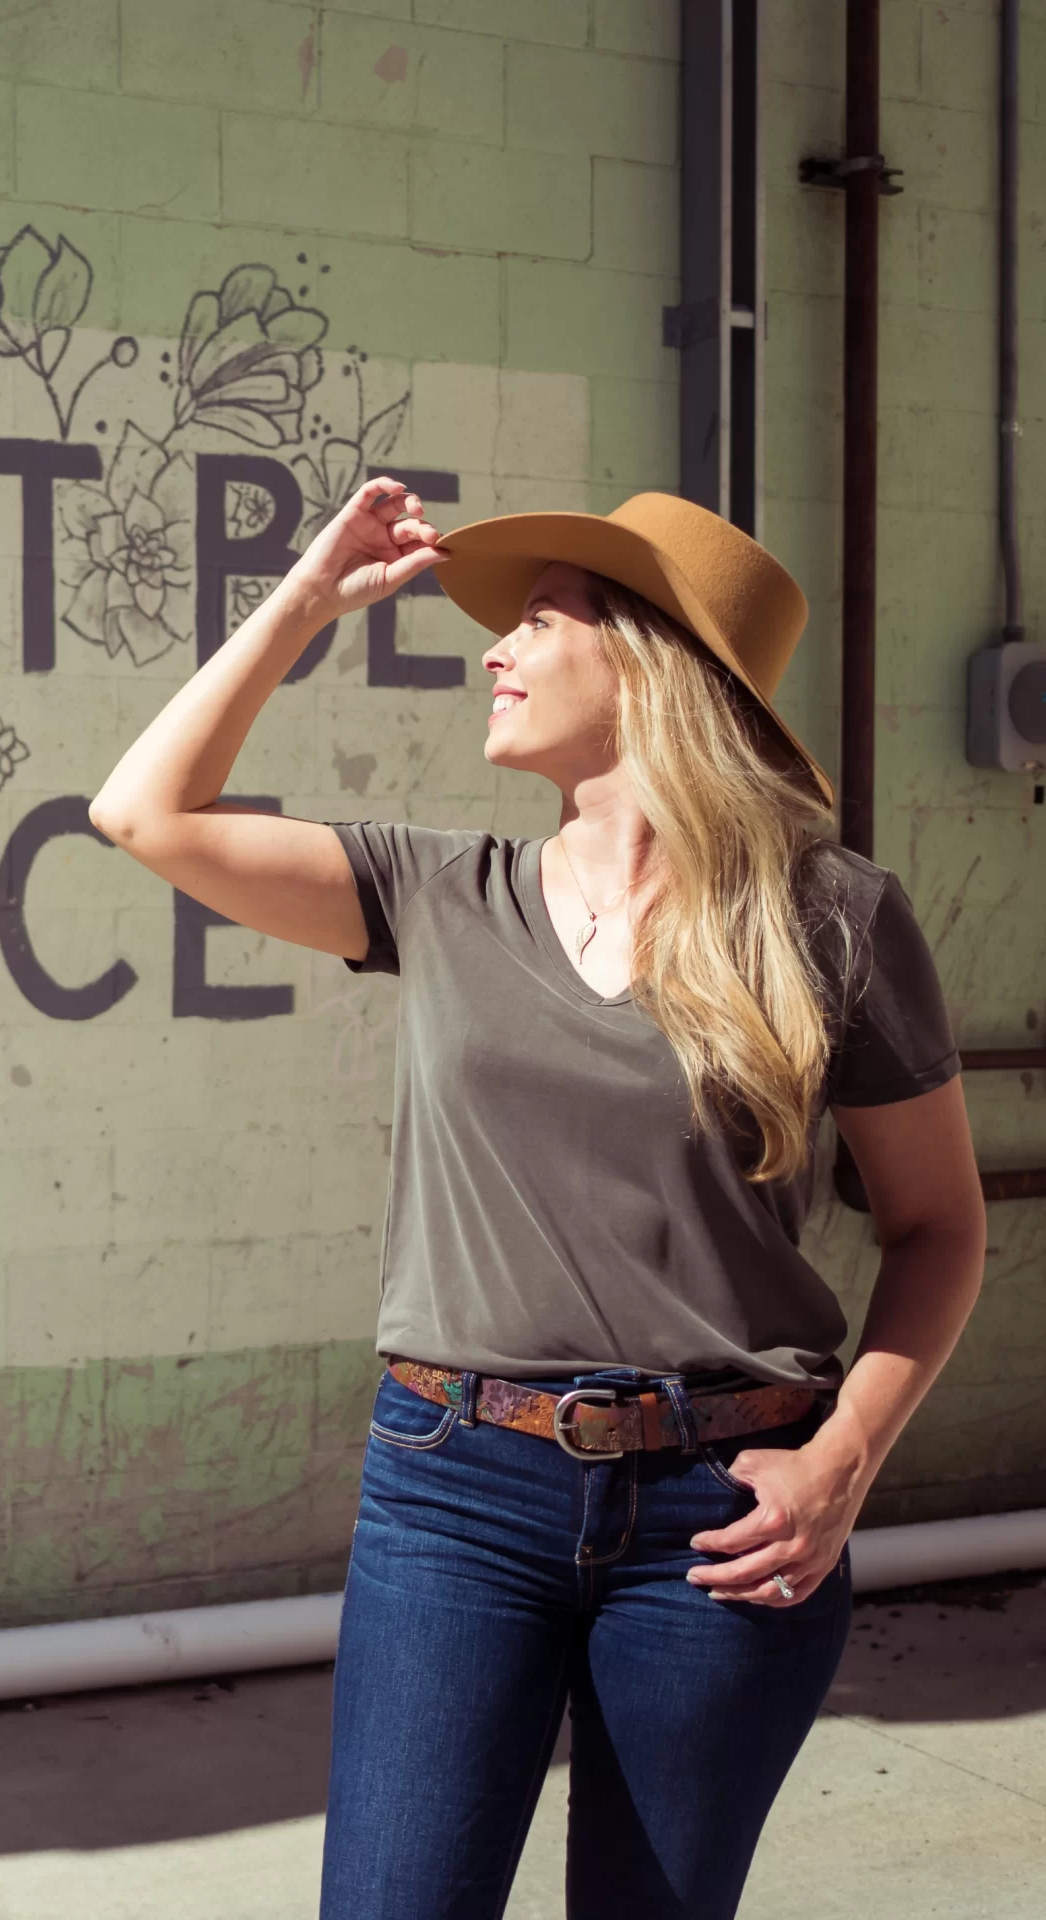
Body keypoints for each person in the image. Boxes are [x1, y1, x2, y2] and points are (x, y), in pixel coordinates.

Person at [87, 480, 986, 1919]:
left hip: (727, 1510)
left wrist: (845, 1464)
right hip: (455, 1494)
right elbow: (142, 812)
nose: (495, 650)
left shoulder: (831, 918)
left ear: (646, 662)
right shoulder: (439, 894)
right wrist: (307, 599)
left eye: (541, 621)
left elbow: (940, 1226)